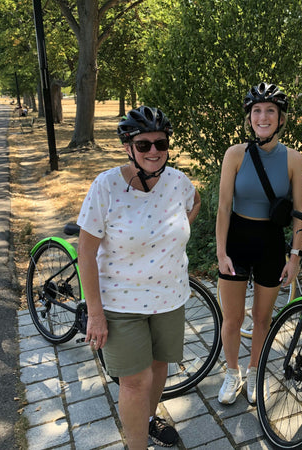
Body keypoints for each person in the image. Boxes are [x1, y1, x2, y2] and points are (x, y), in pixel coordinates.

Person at [77, 106, 201, 449]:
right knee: (134, 381)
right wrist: (96, 313)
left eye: (160, 143)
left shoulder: (178, 181)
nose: (153, 151)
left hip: (170, 297)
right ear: (127, 146)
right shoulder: (106, 187)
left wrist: (176, 232)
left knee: (159, 367)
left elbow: (196, 202)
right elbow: (86, 253)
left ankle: (147, 420)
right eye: (143, 144)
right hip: (121, 304)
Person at [216, 82, 302, 405]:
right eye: (257, 111)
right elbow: (224, 206)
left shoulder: (295, 160)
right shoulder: (235, 155)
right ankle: (232, 372)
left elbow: (300, 213)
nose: (263, 116)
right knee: (233, 319)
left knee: (262, 318)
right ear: (249, 118)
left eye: (270, 111)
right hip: (237, 242)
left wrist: (294, 257)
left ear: (281, 118)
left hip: (270, 243)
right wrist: (221, 251)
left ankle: (255, 371)